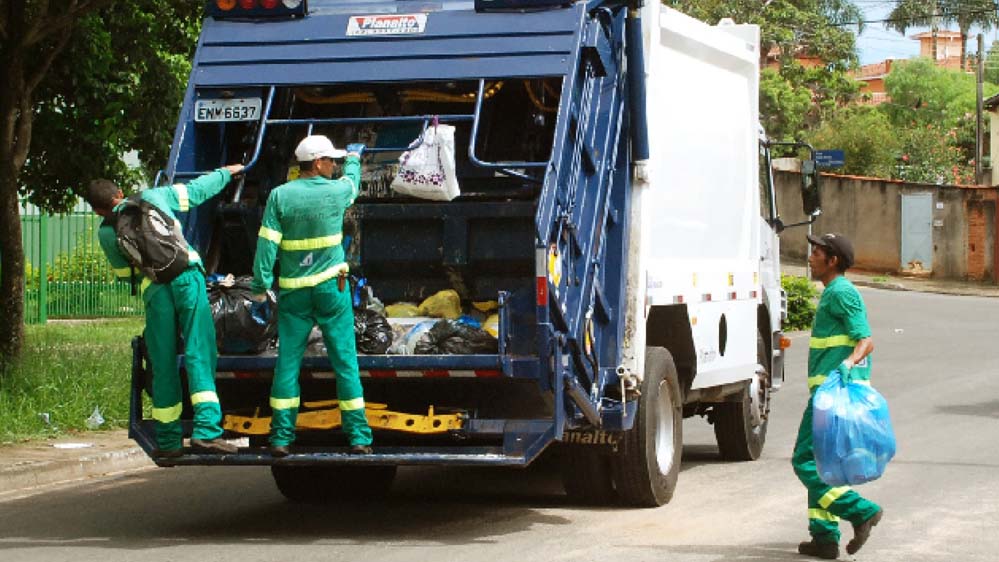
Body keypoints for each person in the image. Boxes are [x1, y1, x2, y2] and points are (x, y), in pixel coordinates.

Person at [85, 164, 245, 457]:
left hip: (154, 290)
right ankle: (207, 431)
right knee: (199, 349)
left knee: (162, 361)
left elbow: (124, 275)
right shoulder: (153, 196)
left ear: (98, 210)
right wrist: (225, 172)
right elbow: (197, 191)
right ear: (120, 193)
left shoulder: (107, 231)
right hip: (186, 277)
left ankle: (169, 442)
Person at [250, 135, 373, 457]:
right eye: (330, 160)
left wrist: (260, 288)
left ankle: (280, 438)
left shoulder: (280, 196)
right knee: (345, 361)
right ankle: (358, 436)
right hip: (332, 289)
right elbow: (353, 184)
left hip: (294, 294)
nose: (334, 165)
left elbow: (266, 245)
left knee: (287, 363)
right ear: (317, 163)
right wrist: (355, 159)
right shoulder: (335, 191)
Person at [794, 232, 884, 560]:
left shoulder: (842, 292)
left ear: (833, 261)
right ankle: (824, 538)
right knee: (824, 464)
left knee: (804, 461)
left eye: (817, 252)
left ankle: (860, 511)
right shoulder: (833, 291)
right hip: (827, 395)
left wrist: (848, 364)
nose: (810, 256)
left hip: (831, 398)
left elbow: (866, 340)